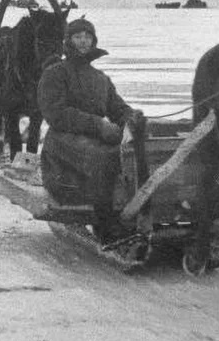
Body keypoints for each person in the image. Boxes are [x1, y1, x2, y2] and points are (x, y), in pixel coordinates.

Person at [37, 18, 144, 241]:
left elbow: (118, 108)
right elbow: (55, 113)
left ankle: (135, 209)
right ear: (68, 41)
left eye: (88, 37)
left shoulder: (100, 78)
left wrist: (132, 120)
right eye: (78, 37)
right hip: (61, 141)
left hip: (95, 136)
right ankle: (106, 224)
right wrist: (97, 125)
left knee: (132, 154)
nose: (83, 41)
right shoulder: (55, 73)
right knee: (105, 158)